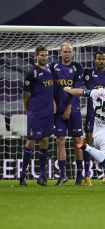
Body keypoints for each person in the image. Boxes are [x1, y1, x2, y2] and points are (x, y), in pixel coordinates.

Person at [49, 43, 86, 186]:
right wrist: (53, 102)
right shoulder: (53, 67)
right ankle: (62, 175)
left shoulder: (78, 67)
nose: (67, 54)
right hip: (58, 111)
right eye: (65, 51)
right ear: (60, 53)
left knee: (77, 142)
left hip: (74, 109)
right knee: (60, 141)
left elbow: (76, 89)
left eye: (69, 51)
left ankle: (79, 176)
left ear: (73, 53)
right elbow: (50, 87)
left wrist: (69, 107)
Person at [20, 45, 56, 186]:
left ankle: (42, 176)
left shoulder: (49, 70)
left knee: (45, 141)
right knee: (30, 141)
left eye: (46, 55)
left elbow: (49, 91)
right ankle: (22, 175)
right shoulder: (32, 73)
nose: (44, 58)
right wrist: (28, 111)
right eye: (42, 55)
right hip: (35, 113)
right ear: (36, 56)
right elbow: (25, 94)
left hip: (48, 113)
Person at [83, 51, 105, 186]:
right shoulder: (89, 73)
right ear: (94, 61)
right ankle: (86, 176)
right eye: (99, 59)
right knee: (89, 142)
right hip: (92, 113)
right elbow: (92, 91)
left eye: (103, 59)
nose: (101, 61)